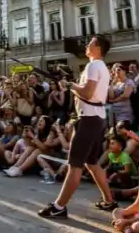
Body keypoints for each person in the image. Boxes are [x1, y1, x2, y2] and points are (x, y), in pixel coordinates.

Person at [39, 35, 115, 219]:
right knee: (92, 163)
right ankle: (109, 200)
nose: (86, 45)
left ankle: (59, 206)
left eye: (90, 42)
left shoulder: (93, 65)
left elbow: (88, 93)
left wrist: (71, 85)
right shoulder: (101, 67)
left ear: (97, 47)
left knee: (75, 165)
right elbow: (91, 93)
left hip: (89, 120)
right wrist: (72, 86)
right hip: (96, 118)